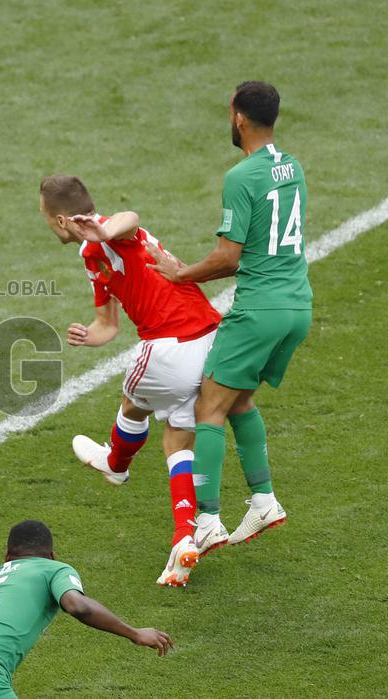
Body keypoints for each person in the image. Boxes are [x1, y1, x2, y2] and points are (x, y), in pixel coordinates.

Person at [146, 81, 310, 549]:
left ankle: (208, 519)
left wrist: (179, 275)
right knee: (237, 399)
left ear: (237, 116)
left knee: (208, 407)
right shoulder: (292, 167)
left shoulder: (242, 178)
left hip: (259, 310)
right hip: (297, 306)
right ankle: (263, 502)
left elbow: (228, 257)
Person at [39, 175, 222, 586]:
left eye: (47, 218)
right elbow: (108, 326)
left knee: (132, 402)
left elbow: (130, 216)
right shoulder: (92, 254)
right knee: (177, 436)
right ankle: (186, 535)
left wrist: (103, 229)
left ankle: (116, 463)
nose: (46, 224)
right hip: (211, 339)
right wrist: (89, 335)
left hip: (171, 344)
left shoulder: (108, 233)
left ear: (63, 219)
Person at [0, 520, 173, 699]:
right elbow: (77, 605)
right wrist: (135, 633)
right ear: (51, 555)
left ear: (7, 556)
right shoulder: (52, 568)